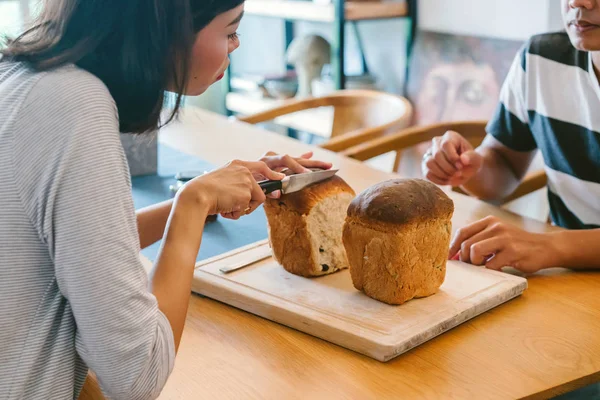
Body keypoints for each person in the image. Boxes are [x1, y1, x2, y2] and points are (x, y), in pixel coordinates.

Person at [0, 1, 332, 399]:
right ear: (168, 26)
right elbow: (137, 376)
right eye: (229, 30)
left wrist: (199, 198)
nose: (236, 44)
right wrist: (193, 203)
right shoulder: (75, 109)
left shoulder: (25, 77)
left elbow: (80, 245)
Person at [422, 0, 600, 273]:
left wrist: (551, 246)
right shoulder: (541, 59)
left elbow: (553, 247)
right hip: (567, 277)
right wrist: (470, 167)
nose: (578, 2)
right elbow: (503, 164)